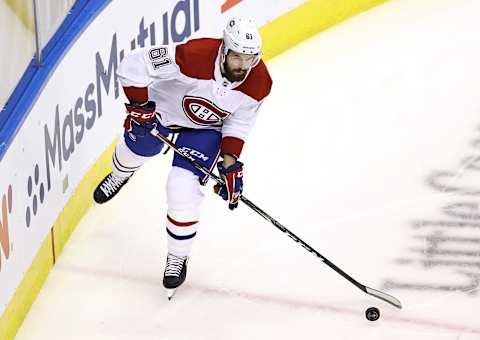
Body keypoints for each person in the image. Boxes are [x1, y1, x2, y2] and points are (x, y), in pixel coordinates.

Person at [93, 17, 272, 297]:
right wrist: (140, 107)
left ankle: (177, 257)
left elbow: (238, 123)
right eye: (237, 57)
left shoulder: (260, 83)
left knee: (181, 187)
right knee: (138, 149)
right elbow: (133, 64)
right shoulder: (193, 56)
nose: (242, 66)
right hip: (162, 112)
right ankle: (120, 174)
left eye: (250, 59)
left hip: (205, 131)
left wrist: (229, 164)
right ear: (224, 50)